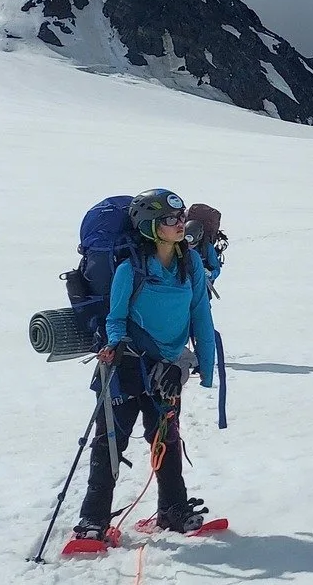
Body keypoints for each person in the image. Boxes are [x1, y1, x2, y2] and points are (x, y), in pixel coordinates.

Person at [73, 189, 216, 539]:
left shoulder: (191, 263)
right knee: (110, 441)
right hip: (125, 367)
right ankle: (93, 521)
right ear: (151, 226)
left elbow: (200, 311)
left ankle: (173, 510)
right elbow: (116, 318)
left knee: (165, 437)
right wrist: (116, 344)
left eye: (182, 217)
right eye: (171, 220)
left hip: (167, 369)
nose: (181, 224)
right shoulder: (130, 268)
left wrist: (204, 365)